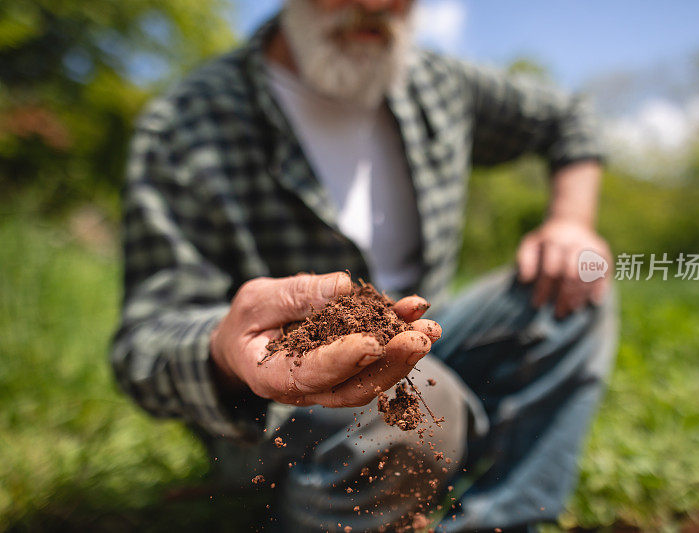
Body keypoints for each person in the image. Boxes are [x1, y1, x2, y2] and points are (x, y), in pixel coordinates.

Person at [111, 0, 618, 530]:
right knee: (414, 402)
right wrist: (225, 346)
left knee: (575, 286)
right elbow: (144, 343)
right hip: (271, 409)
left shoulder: (435, 84)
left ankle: (501, 519)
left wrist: (571, 222)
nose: (376, 5)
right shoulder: (186, 125)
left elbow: (570, 117)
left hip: (428, 341)